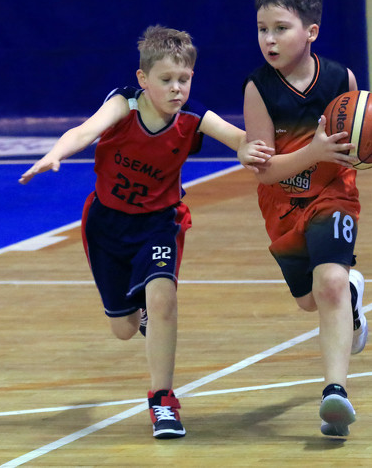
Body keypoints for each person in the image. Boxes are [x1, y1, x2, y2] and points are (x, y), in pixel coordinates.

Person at [20, 25, 273, 439]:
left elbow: (237, 137)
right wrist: (56, 153)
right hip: (107, 225)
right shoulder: (124, 104)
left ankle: (162, 401)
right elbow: (84, 131)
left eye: (183, 79)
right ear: (143, 79)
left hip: (159, 223)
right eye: (166, 79)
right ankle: (141, 317)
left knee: (163, 298)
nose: (176, 88)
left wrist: (248, 148)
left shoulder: (193, 118)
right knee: (123, 329)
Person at [242, 0, 372, 437]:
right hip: (282, 203)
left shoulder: (340, 78)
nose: (269, 39)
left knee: (330, 282)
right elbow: (264, 170)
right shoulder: (258, 88)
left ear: (311, 31)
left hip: (333, 195)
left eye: (281, 28)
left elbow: (359, 138)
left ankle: (335, 394)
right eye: (262, 29)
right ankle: (352, 299)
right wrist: (313, 151)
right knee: (309, 300)